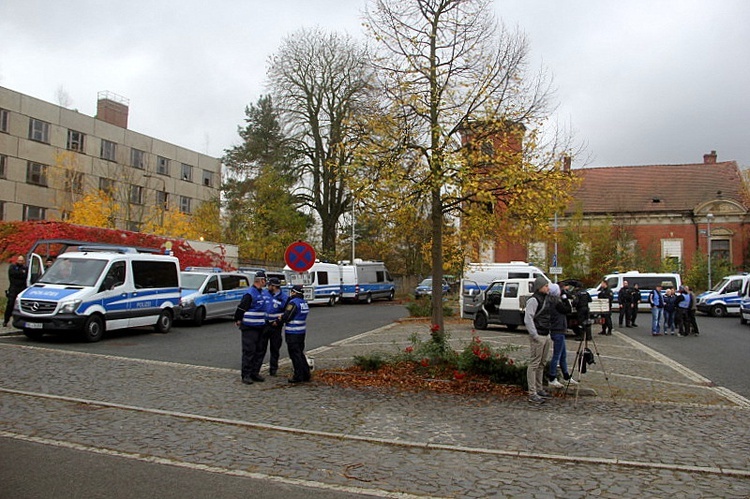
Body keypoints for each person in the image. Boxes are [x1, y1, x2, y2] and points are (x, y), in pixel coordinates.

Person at [233, 271, 268, 384]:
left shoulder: (262, 292)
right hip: (250, 327)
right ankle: (246, 375)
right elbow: (241, 308)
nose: (266, 282)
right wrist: (238, 319)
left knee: (259, 351)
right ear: (261, 280)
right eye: (265, 280)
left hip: (260, 326)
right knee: (249, 351)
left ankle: (255, 373)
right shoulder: (250, 293)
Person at [523, 275, 553, 404]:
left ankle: (539, 388)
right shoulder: (534, 300)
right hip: (538, 335)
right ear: (540, 287)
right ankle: (532, 392)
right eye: (546, 286)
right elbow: (528, 318)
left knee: (542, 363)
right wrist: (534, 335)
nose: (548, 288)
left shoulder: (545, 299)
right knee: (534, 363)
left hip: (545, 334)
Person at [546, 283, 578, 388]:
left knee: (563, 355)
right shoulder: (556, 303)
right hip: (558, 330)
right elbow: (568, 310)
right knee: (557, 355)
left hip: (558, 330)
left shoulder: (550, 301)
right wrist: (565, 298)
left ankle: (566, 376)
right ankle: (552, 377)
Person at [277, 284, 311, 384]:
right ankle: (306, 374)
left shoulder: (293, 303)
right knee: (300, 353)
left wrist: (280, 318)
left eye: (291, 291)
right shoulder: (304, 302)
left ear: (294, 292)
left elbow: (288, 316)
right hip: (301, 332)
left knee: (295, 355)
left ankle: (298, 376)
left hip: (293, 332)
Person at [262, 277, 288, 376]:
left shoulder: (284, 298)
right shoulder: (264, 294)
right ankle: (256, 370)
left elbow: (286, 313)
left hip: (276, 326)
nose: (268, 286)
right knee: (261, 348)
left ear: (274, 286)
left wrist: (278, 322)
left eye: (269, 285)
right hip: (264, 325)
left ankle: (273, 369)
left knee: (275, 348)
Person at [4, 255, 28, 328]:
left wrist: (20, 273)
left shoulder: (25, 268)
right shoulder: (12, 267)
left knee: (21, 305)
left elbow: (25, 276)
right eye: (19, 260)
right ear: (17, 260)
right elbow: (13, 274)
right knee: (10, 304)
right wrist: (21, 273)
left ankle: (20, 321)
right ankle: (6, 320)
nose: (20, 262)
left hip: (22, 289)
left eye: (22, 260)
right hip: (13, 288)